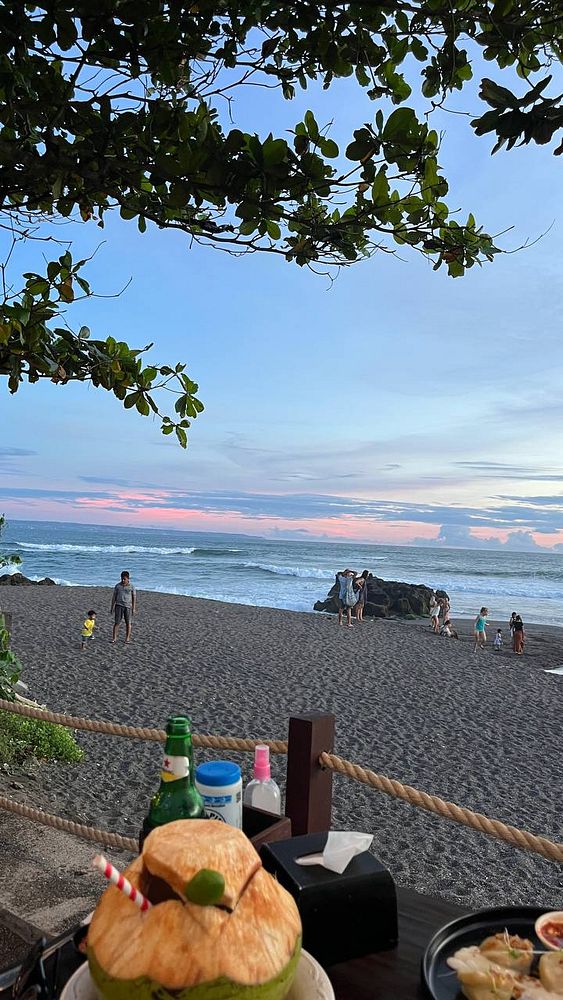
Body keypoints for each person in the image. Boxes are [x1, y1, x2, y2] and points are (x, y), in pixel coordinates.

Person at [111, 570, 137, 644]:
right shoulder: (118, 586)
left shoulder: (131, 586)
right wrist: (112, 607)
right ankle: (114, 638)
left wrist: (134, 608)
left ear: (128, 579)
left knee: (128, 623)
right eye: (122, 579)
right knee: (117, 622)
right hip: (119, 605)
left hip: (128, 606)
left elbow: (134, 597)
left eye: (124, 579)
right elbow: (114, 597)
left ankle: (127, 638)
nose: (123, 580)